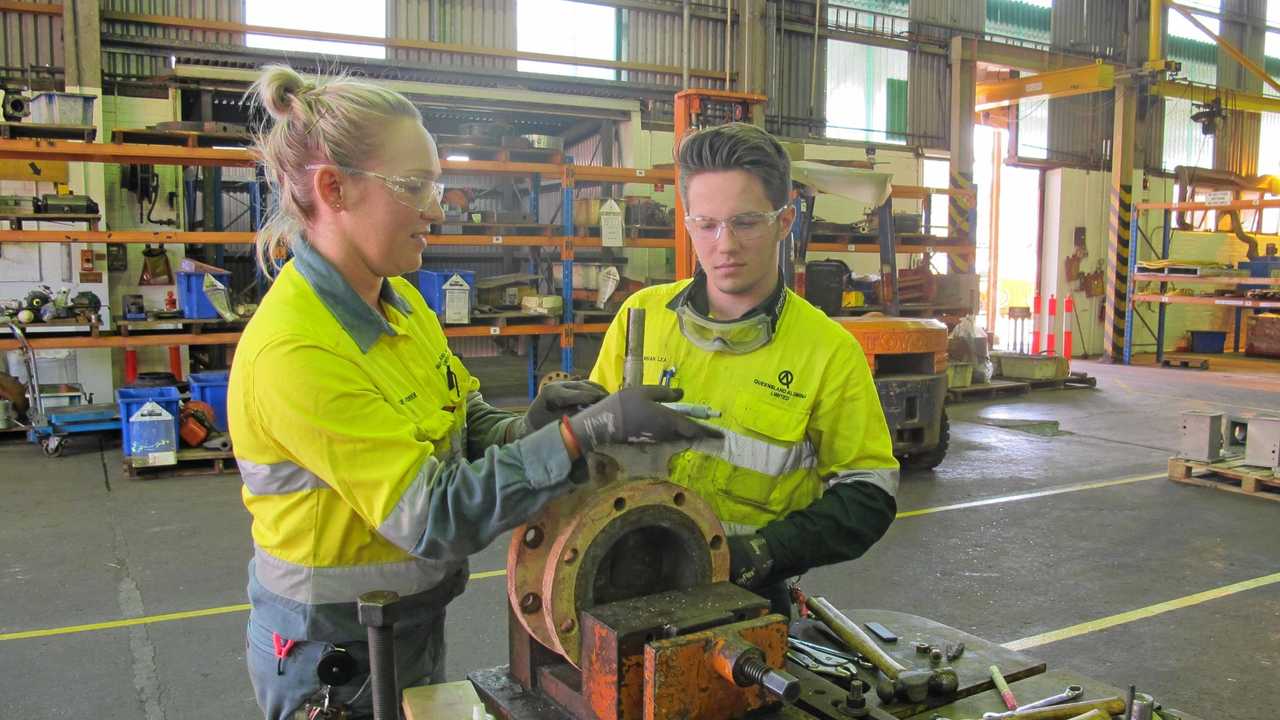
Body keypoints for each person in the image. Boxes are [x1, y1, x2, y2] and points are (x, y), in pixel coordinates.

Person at [227, 65, 718, 720]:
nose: (438, 206)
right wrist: (581, 437)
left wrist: (539, 426)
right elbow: (433, 516)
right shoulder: (299, 351)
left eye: (436, 183)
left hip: (410, 624)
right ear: (333, 187)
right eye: (414, 186)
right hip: (332, 656)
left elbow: (467, 426)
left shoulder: (399, 304)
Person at [589, 122, 899, 614]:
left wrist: (765, 552)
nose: (724, 245)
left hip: (748, 595)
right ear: (688, 223)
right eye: (706, 224)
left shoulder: (828, 351)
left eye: (746, 222)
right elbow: (587, 450)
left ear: (785, 220)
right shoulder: (639, 318)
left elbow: (867, 496)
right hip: (615, 580)